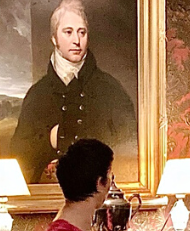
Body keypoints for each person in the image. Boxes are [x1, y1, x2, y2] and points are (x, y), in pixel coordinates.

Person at [10, 0, 137, 183]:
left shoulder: (111, 89)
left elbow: (129, 148)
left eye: (82, 33)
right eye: (68, 32)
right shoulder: (37, 94)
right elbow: (19, 156)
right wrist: (49, 140)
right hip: (46, 196)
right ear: (54, 38)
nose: (76, 40)